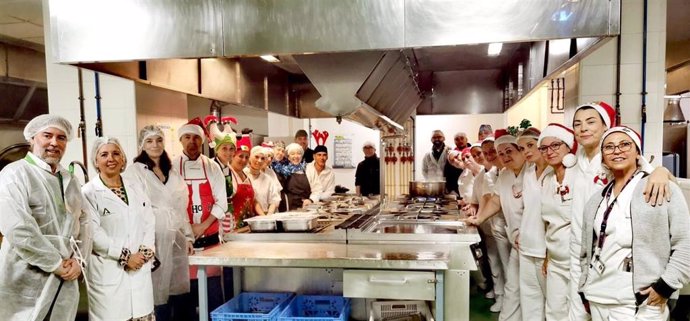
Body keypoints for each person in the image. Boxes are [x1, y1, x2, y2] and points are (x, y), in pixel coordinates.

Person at [569, 101, 672, 321]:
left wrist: (661, 171)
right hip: (585, 262)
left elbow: (649, 174)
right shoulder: (574, 165)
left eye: (590, 122)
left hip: (627, 278)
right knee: (574, 313)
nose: (583, 128)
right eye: (577, 124)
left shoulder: (623, 165)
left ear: (606, 127)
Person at [0, 114, 90, 321]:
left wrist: (79, 260)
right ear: (32, 138)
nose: (54, 143)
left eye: (61, 138)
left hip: (66, 276)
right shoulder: (15, 174)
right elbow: (17, 228)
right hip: (25, 277)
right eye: (47, 135)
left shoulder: (70, 180)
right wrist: (56, 264)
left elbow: (85, 223)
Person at [125, 125, 195, 321]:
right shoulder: (134, 172)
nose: (155, 145)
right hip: (151, 240)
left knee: (177, 288)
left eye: (158, 140)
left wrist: (188, 236)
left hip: (176, 239)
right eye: (149, 141)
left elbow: (181, 207)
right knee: (155, 289)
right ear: (141, 145)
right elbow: (134, 209)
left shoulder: (171, 172)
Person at [82, 137, 156, 320]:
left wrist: (144, 252)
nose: (111, 159)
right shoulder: (89, 192)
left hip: (140, 268)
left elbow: (149, 220)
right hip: (109, 271)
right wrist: (125, 257)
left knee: (142, 314)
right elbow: (93, 233)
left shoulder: (136, 187)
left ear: (123, 159)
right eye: (104, 154)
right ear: (96, 161)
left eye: (116, 153)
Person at [172, 117, 228, 319]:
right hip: (182, 247)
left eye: (196, 137)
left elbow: (222, 203)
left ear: (202, 140)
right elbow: (170, 204)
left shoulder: (213, 167)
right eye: (187, 137)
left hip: (210, 244)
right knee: (183, 304)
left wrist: (201, 227)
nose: (192, 142)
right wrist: (188, 229)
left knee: (212, 300)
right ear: (181, 140)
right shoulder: (171, 167)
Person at [466, 131, 524, 321]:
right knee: (511, 278)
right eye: (501, 153)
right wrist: (479, 219)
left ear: (520, 150)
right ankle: (508, 310)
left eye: (509, 151)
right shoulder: (504, 175)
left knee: (528, 287)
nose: (504, 156)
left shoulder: (531, 172)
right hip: (510, 233)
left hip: (532, 240)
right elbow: (494, 200)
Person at [537, 123, 580, 321]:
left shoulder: (581, 175)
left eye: (555, 145)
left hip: (578, 259)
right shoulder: (547, 180)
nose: (549, 151)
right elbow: (548, 223)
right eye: (544, 148)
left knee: (577, 313)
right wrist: (548, 256)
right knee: (553, 311)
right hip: (556, 258)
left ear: (568, 147)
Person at [516, 127, 549, 321]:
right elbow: (528, 209)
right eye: (521, 148)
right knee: (529, 299)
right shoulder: (528, 173)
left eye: (530, 145)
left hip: (546, 249)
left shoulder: (556, 172)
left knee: (552, 302)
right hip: (527, 245)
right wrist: (521, 232)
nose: (526, 151)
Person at [276, 143, 320, 211]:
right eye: (292, 154)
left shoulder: (309, 169)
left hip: (306, 207)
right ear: (288, 156)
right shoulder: (282, 170)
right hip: (288, 209)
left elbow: (317, 189)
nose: (296, 156)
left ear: (302, 156)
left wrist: (311, 200)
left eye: (298, 153)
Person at [228, 135, 255, 225]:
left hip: (248, 225)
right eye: (241, 156)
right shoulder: (228, 174)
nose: (244, 160)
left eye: (247, 157)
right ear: (233, 156)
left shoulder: (246, 175)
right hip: (233, 225)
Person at [245, 146, 280, 216]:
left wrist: (269, 215)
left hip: (264, 214)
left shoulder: (268, 179)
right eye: (256, 157)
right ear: (250, 158)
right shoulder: (243, 175)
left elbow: (274, 200)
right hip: (245, 216)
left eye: (262, 158)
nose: (259, 160)